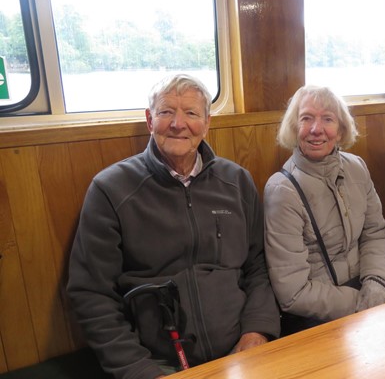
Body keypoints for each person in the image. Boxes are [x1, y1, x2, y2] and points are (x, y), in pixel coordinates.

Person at [67, 73, 280, 379]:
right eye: (166, 112)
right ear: (149, 120)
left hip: (244, 352)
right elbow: (91, 295)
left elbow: (258, 266)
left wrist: (256, 333)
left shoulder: (236, 181)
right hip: (159, 363)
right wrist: (141, 371)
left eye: (191, 113)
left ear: (206, 123)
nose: (178, 123)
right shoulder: (110, 189)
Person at [263, 85, 385, 335]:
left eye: (328, 119)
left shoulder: (356, 167)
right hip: (320, 314)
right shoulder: (282, 190)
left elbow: (375, 234)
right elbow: (292, 292)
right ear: (295, 128)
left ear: (340, 130)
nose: (316, 129)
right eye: (306, 118)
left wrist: (377, 283)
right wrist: (362, 304)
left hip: (372, 289)